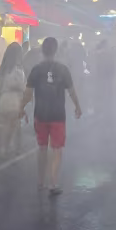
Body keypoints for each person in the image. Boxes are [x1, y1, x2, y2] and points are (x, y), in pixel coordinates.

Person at [23, 37, 82, 195]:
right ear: (56, 51)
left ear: (42, 51)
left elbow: (28, 93)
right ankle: (53, 183)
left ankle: (40, 181)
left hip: (40, 115)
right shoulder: (63, 69)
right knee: (57, 149)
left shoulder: (36, 70)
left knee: (42, 148)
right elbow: (71, 91)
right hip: (57, 115)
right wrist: (77, 106)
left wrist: (21, 108)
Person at [0, 42, 27, 156]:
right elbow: (22, 86)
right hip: (14, 100)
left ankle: (3, 149)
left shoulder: (3, 69)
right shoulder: (18, 69)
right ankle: (14, 148)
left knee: (5, 126)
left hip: (3, 99)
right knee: (15, 126)